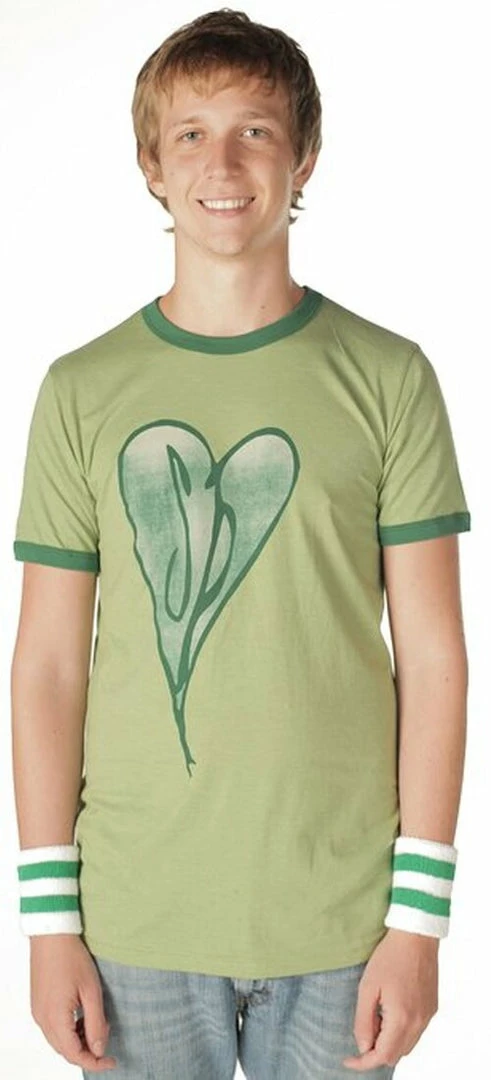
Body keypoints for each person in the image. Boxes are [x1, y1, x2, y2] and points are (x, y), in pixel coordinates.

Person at [11, 9, 471, 1079]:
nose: (221, 165)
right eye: (190, 134)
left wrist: (417, 921)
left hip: (343, 918)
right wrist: (47, 923)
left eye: (255, 131)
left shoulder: (388, 377)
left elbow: (434, 656)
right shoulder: (81, 390)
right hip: (134, 919)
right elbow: (48, 666)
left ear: (301, 158)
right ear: (150, 165)